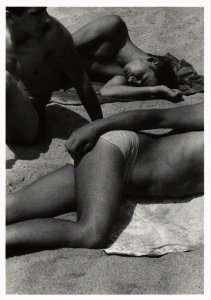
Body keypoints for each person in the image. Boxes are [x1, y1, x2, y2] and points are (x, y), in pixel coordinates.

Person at [6, 102, 203, 253]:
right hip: (121, 153)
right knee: (90, 234)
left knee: (16, 205)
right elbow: (157, 117)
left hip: (118, 173)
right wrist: (97, 127)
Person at [6, 7, 102, 145]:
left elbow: (81, 81)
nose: (45, 18)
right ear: (10, 17)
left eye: (44, 10)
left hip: (31, 121)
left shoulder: (52, 33)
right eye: (36, 14)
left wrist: (99, 127)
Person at [72, 14, 183, 101]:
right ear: (152, 61)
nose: (132, 80)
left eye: (137, 84)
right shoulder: (113, 27)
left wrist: (155, 90)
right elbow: (60, 46)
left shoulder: (125, 72)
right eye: (142, 77)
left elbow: (106, 91)